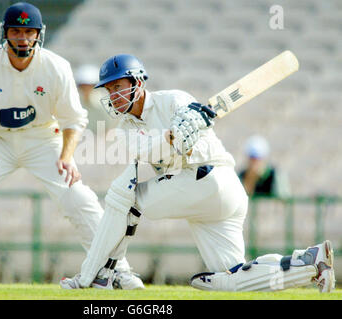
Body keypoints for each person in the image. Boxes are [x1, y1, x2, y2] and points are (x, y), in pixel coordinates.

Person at [59, 54, 335, 292]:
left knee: (124, 194)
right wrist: (171, 137)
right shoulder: (125, 130)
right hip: (205, 198)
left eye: (118, 87)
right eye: (108, 90)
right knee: (230, 279)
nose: (113, 96)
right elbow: (152, 152)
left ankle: (96, 274)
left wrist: (187, 126)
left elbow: (188, 123)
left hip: (213, 180)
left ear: (137, 83)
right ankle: (309, 263)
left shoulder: (174, 100)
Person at [0, 2, 143, 290]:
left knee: (77, 197)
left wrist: (66, 157)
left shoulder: (56, 67)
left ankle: (117, 270)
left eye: (29, 31)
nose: (23, 38)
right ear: (5, 33)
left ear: (39, 34)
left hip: (42, 138)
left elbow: (74, 119)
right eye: (16, 31)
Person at [74, 64, 118, 134]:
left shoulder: (106, 104)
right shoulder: (73, 103)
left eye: (90, 86)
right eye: (83, 86)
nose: (86, 89)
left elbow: (110, 129)